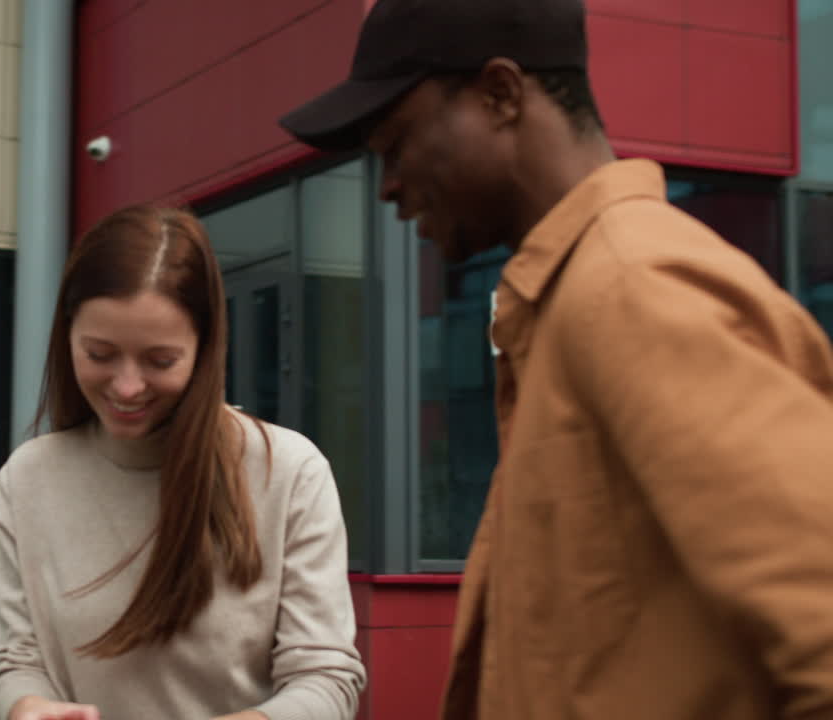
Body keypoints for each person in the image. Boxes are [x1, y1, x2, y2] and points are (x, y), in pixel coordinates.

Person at [279, 0, 833, 718]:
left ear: (502, 95)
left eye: (398, 142)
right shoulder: (574, 298)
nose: (386, 184)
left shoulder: (631, 288)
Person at [0, 205, 366, 720]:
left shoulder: (289, 471)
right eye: (99, 354)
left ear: (205, 350)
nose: (126, 387)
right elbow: (17, 657)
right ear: (66, 337)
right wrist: (26, 706)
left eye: (160, 361)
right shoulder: (27, 478)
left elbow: (326, 676)